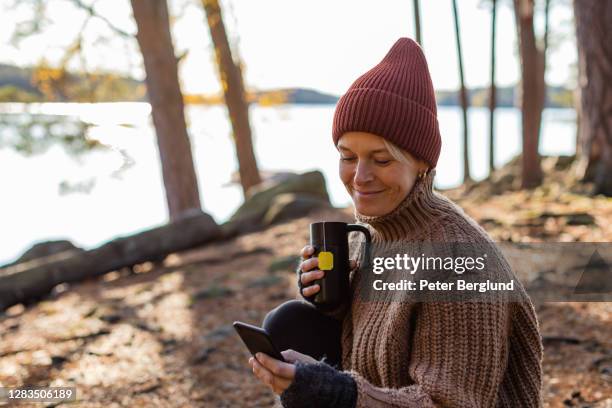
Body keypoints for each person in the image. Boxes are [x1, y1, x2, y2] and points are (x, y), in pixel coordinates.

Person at [247, 37, 543, 407]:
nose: (359, 177)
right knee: (291, 324)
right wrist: (333, 299)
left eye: (381, 160)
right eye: (348, 156)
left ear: (422, 163)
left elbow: (446, 403)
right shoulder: (372, 231)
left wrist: (336, 394)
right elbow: (381, 334)